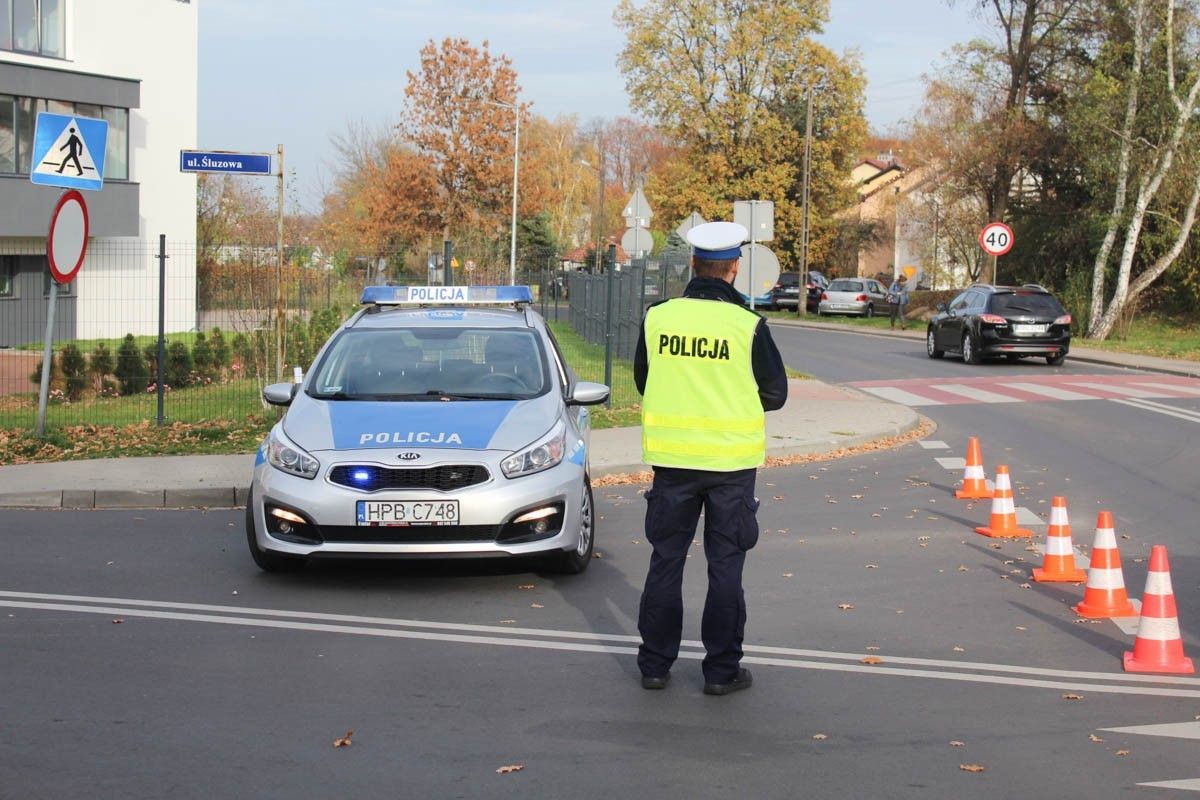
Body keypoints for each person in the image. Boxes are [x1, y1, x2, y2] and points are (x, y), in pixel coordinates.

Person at [633, 220, 788, 696]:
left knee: (666, 560)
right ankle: (720, 672)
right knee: (725, 567)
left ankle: (655, 667)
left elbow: (644, 380)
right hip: (730, 466)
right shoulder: (747, 325)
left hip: (672, 462)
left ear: (693, 265)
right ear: (734, 270)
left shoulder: (659, 318)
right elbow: (776, 394)